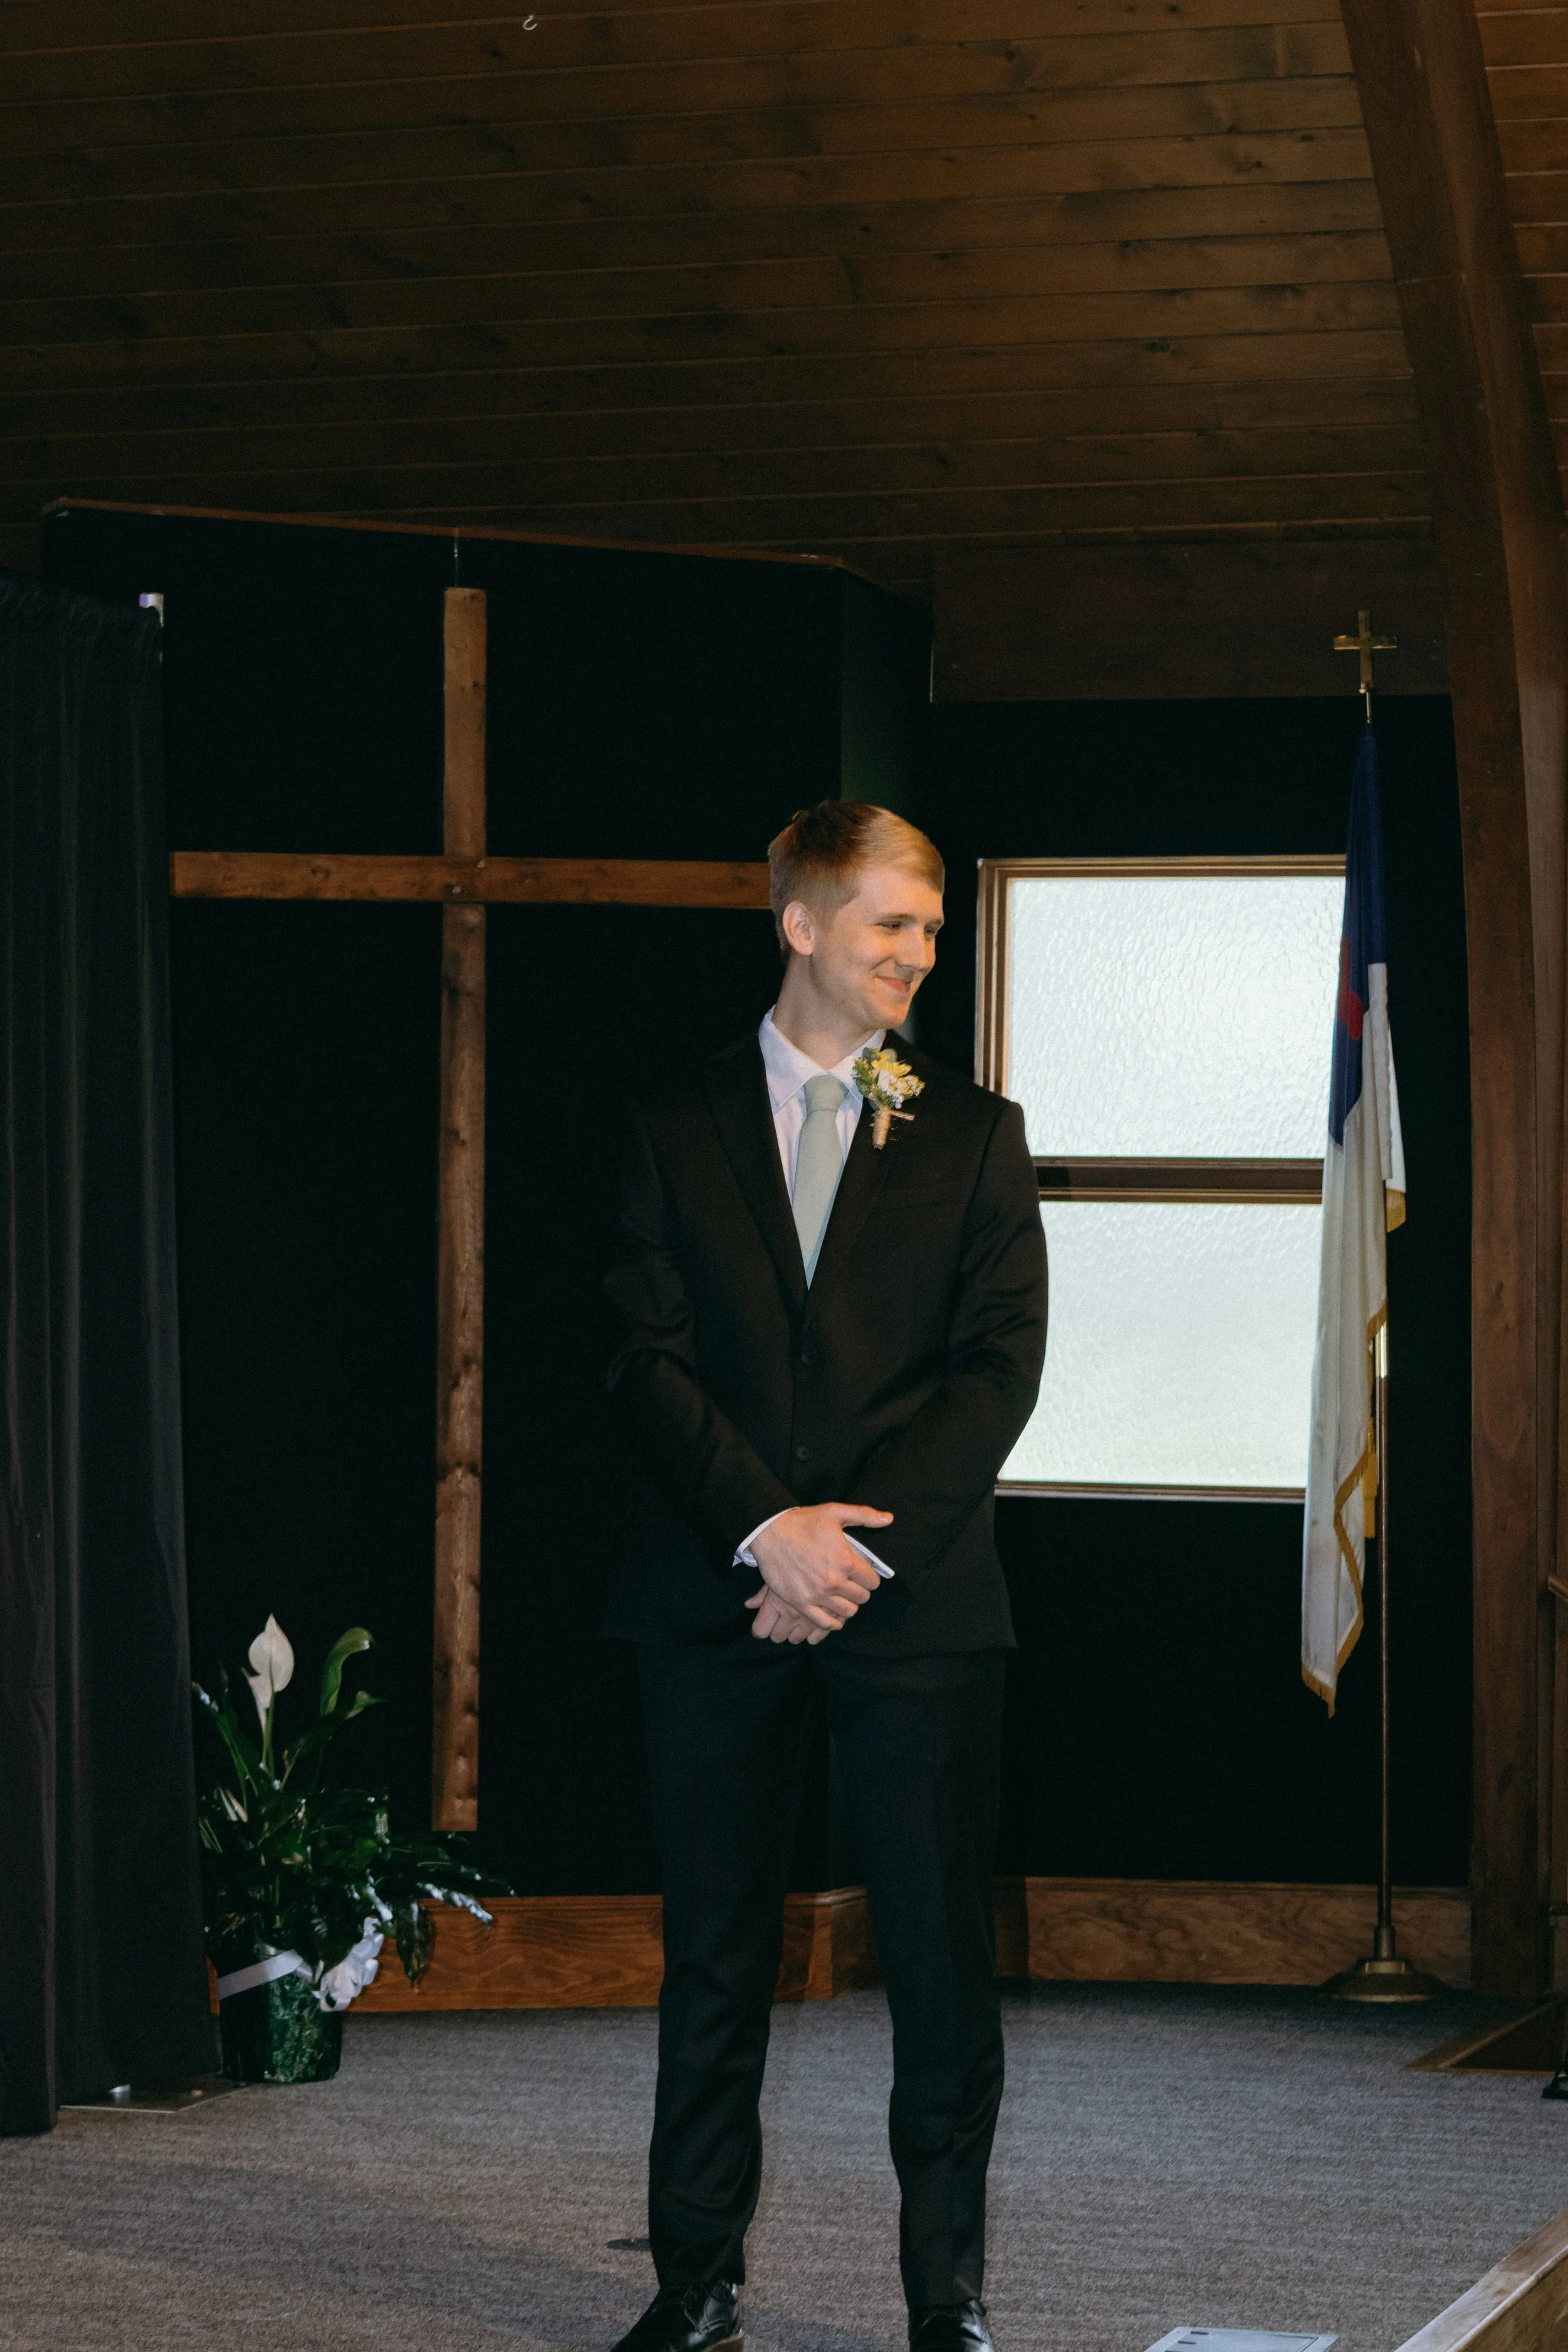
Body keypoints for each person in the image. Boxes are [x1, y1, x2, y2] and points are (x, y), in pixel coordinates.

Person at [603, 801, 1047, 2352]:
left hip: (912, 1605)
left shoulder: (975, 1134)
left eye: (930, 929)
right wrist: (765, 1531)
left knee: (936, 1968)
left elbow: (997, 1374)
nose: (919, 956)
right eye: (889, 925)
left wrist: (847, 1553)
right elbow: (636, 1363)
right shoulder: (668, 1125)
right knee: (713, 1957)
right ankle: (696, 2281)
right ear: (797, 922)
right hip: (716, 1596)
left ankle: (947, 2300)